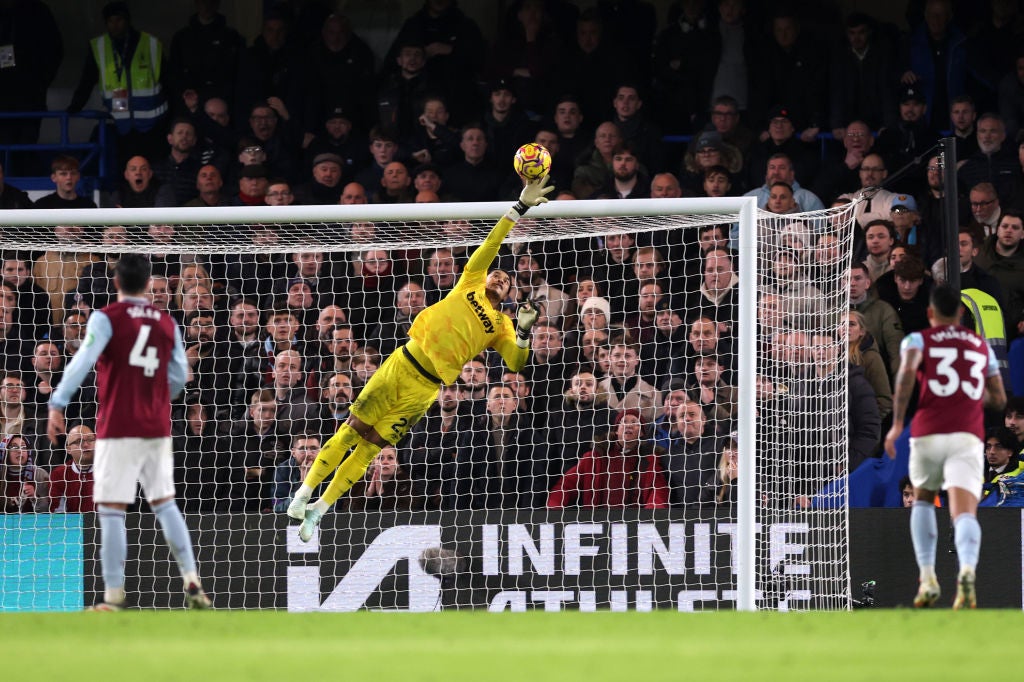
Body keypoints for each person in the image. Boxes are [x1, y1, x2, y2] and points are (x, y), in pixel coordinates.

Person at [287, 173, 554, 540]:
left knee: (370, 450)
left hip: (425, 389)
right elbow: (491, 244)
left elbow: (516, 363)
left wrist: (524, 331)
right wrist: (519, 207)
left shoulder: (503, 325)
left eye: (507, 280)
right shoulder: (470, 282)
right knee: (351, 432)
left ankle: (321, 509)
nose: (500, 277)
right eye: (498, 274)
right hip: (402, 364)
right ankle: (304, 492)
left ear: (510, 294)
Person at [46, 254, 211, 611]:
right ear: (148, 284)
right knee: (165, 504)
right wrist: (155, 397)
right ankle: (192, 579)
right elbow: (180, 378)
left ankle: (113, 596)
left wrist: (57, 402)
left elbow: (82, 362)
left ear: (117, 282)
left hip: (117, 427)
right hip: (155, 427)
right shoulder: (167, 322)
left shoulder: (106, 318)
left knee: (111, 511)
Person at [883, 285, 1007, 610]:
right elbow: (1000, 399)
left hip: (928, 433)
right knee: (964, 511)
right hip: (967, 435)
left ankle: (927, 577)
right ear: (962, 313)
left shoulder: (917, 340)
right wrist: (971, 396)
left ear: (930, 313)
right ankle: (967, 572)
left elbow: (906, 378)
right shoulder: (981, 346)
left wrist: (896, 424)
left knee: (923, 500)